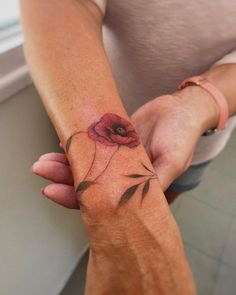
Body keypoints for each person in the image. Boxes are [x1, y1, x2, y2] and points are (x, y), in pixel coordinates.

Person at [20, 0, 236, 294]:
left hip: (193, 137)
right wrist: (125, 222)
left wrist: (203, 102)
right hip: (89, 107)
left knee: (165, 195)